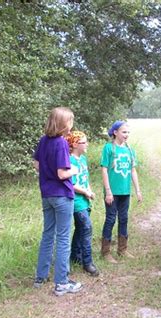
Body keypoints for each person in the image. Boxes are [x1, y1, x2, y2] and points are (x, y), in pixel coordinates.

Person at [33, 107, 83, 296]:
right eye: (70, 121)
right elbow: (62, 174)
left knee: (48, 234)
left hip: (46, 194)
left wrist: (47, 173)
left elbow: (37, 164)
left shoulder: (43, 140)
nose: (71, 124)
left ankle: (41, 276)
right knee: (63, 237)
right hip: (62, 195)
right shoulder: (61, 143)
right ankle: (62, 282)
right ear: (63, 123)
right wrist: (74, 170)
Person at [100, 120, 142, 263]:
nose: (127, 135)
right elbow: (104, 169)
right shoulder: (108, 148)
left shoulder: (130, 150)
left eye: (128, 132)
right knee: (111, 219)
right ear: (115, 132)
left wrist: (137, 190)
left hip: (125, 192)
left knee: (124, 219)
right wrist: (108, 191)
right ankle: (105, 252)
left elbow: (132, 170)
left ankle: (122, 249)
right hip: (112, 192)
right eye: (124, 132)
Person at [65, 131, 99, 277]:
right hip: (76, 201)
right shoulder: (69, 161)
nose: (87, 145)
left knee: (80, 229)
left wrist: (89, 191)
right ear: (74, 144)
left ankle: (75, 256)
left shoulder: (83, 159)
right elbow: (71, 184)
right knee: (86, 228)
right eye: (84, 142)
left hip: (85, 200)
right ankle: (88, 262)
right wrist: (85, 192)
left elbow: (85, 179)